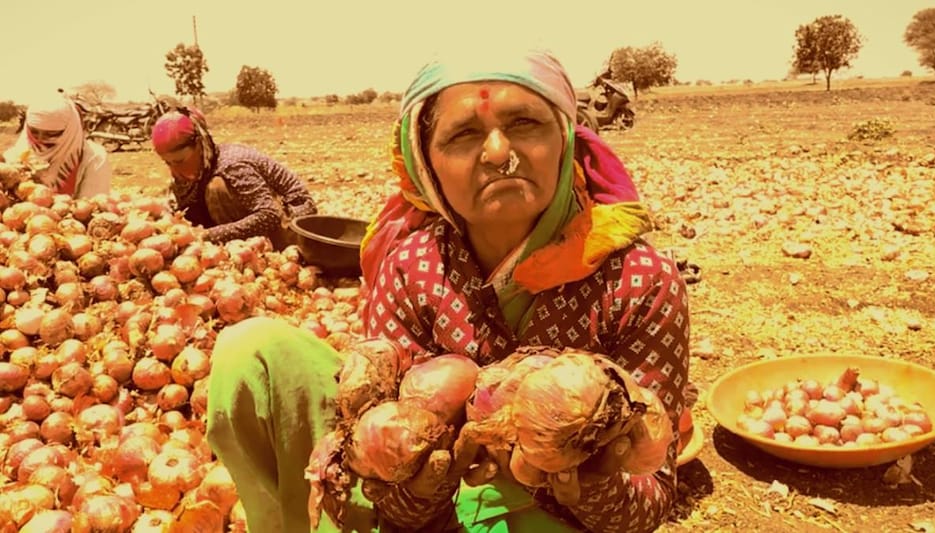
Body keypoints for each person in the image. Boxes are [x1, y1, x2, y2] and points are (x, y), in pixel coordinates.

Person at [206, 48, 691, 533]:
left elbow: (648, 502)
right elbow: (392, 494)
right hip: (437, 514)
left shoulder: (639, 279)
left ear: (564, 140)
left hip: (556, 518)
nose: (499, 152)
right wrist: (420, 488)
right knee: (251, 352)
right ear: (425, 165)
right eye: (463, 134)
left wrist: (582, 477)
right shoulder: (410, 268)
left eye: (525, 123)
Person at [150, 108, 319, 248]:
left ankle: (262, 252)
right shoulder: (199, 166)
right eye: (168, 163)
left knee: (216, 189)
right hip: (266, 216)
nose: (175, 169)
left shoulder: (232, 165)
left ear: (200, 145)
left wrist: (210, 235)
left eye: (180, 161)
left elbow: (269, 215)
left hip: (293, 222)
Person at [1, 91, 111, 198]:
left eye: (51, 134)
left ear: (69, 130)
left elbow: (92, 205)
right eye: (34, 132)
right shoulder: (15, 157)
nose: (40, 139)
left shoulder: (93, 158)